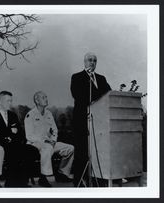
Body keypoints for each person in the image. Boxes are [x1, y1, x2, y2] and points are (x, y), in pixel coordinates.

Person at [70, 52, 111, 187]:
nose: (92, 62)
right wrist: (96, 99)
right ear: (84, 62)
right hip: (82, 120)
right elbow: (78, 95)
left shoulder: (102, 78)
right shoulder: (77, 77)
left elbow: (108, 95)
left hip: (99, 121)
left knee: (98, 151)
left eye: (94, 60)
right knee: (82, 152)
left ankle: (98, 179)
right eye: (89, 60)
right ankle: (80, 182)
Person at [0, 91, 39, 187]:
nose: (10, 103)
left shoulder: (13, 115)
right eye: (7, 101)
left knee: (32, 150)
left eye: (11, 101)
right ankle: (11, 183)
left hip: (14, 143)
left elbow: (20, 133)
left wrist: (8, 134)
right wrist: (10, 132)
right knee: (13, 151)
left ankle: (23, 180)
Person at [24, 91, 74, 187]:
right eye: (43, 97)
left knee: (70, 148)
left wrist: (53, 140)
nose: (46, 99)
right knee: (47, 148)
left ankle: (62, 174)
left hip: (50, 143)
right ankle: (43, 178)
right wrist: (45, 141)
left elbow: (54, 130)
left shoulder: (48, 113)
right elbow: (29, 135)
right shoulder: (30, 115)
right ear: (37, 100)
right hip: (34, 144)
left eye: (46, 97)